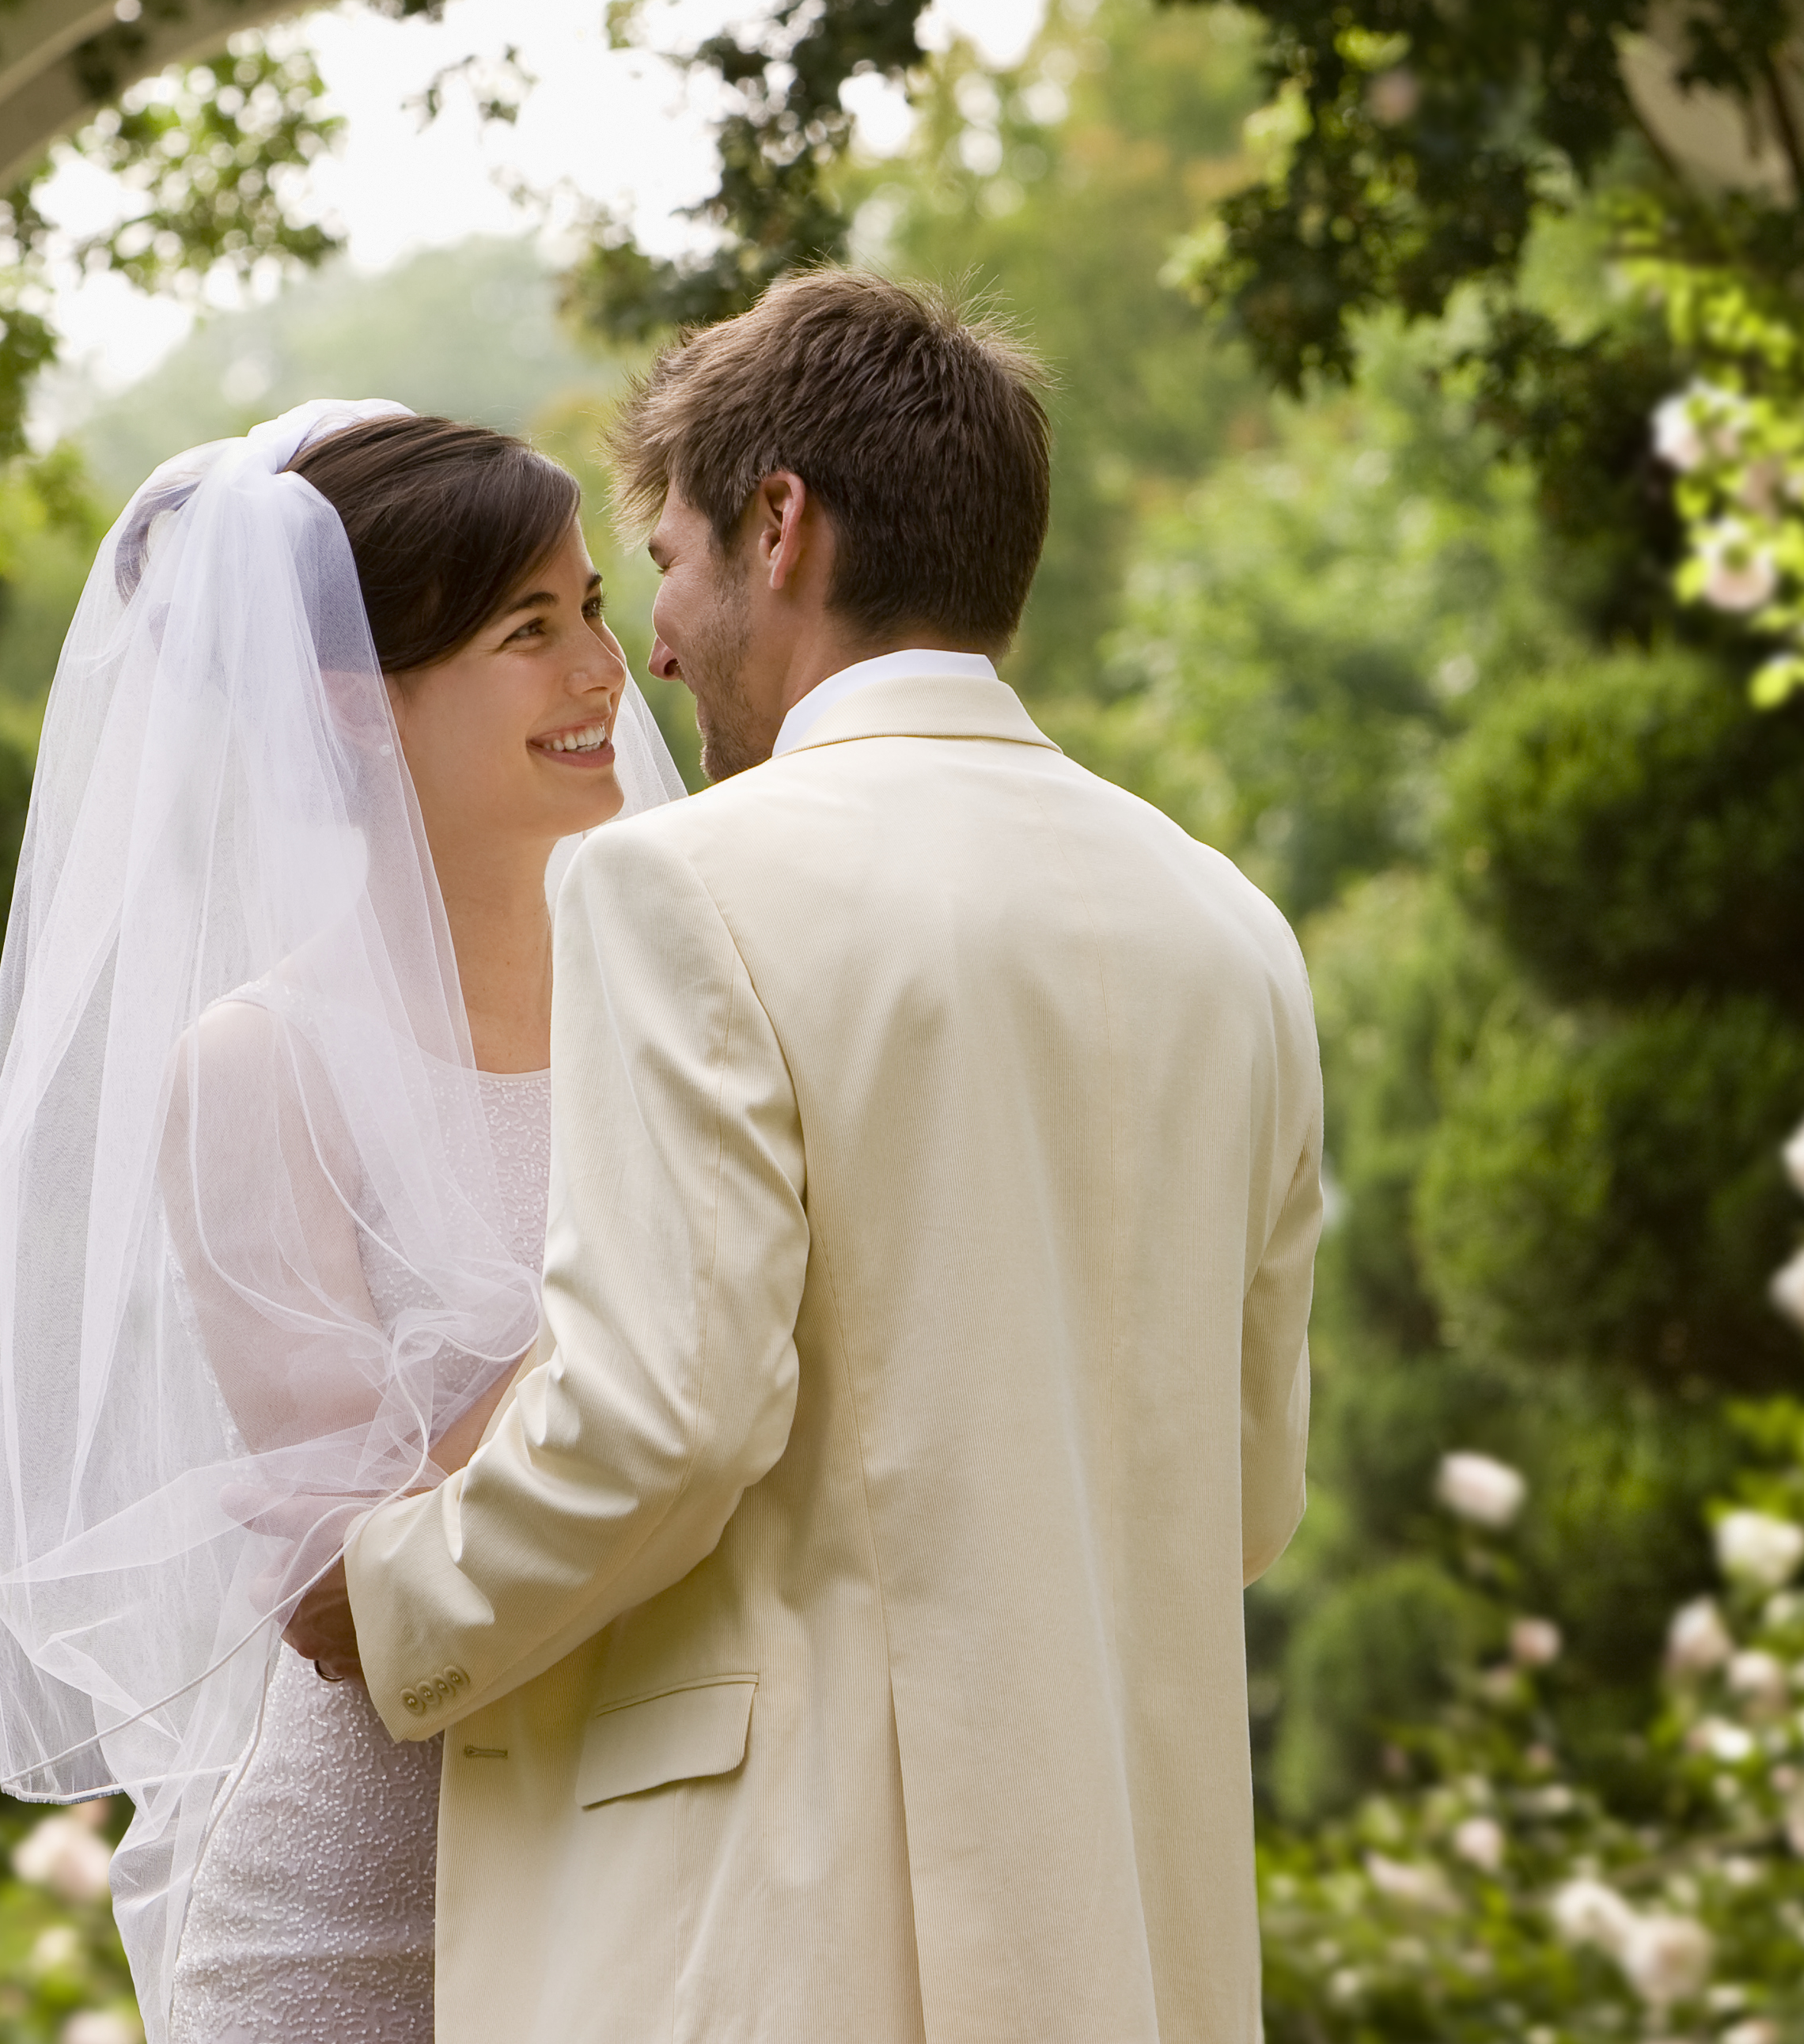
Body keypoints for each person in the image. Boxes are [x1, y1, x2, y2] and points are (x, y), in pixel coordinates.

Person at [296, 269, 1326, 2043]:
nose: (658, 652)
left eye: (671, 565)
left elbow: (662, 1420)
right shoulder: (1230, 931)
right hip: (1129, 1951)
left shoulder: (675, 882)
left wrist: (385, 1598)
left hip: (772, 1944)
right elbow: (1245, 1495)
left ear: (783, 527)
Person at [0, 403, 688, 2044]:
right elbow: (335, 1586)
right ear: (356, 709)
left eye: (591, 608)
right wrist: (644, 1290)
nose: (603, 672)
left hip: (668, 1871)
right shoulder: (262, 1072)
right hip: (368, 1926)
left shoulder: (701, 1008)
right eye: (530, 630)